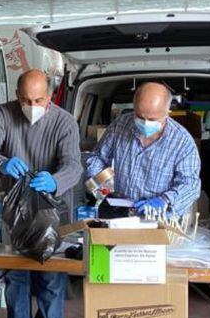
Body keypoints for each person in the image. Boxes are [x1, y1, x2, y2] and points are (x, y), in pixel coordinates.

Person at [0, 69, 82, 318]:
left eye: (38, 100)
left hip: (52, 211)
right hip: (14, 212)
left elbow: (74, 165)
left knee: (50, 281)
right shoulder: (4, 115)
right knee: (16, 281)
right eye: (25, 99)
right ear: (17, 96)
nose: (31, 105)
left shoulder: (64, 122)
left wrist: (56, 180)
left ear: (49, 97)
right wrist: (0, 163)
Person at [86, 82, 201, 217]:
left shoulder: (182, 142)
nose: (145, 123)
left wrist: (164, 201)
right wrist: (102, 188)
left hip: (159, 217)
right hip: (121, 212)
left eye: (152, 119)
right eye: (140, 117)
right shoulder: (120, 126)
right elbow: (97, 158)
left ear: (167, 112)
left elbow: (190, 185)